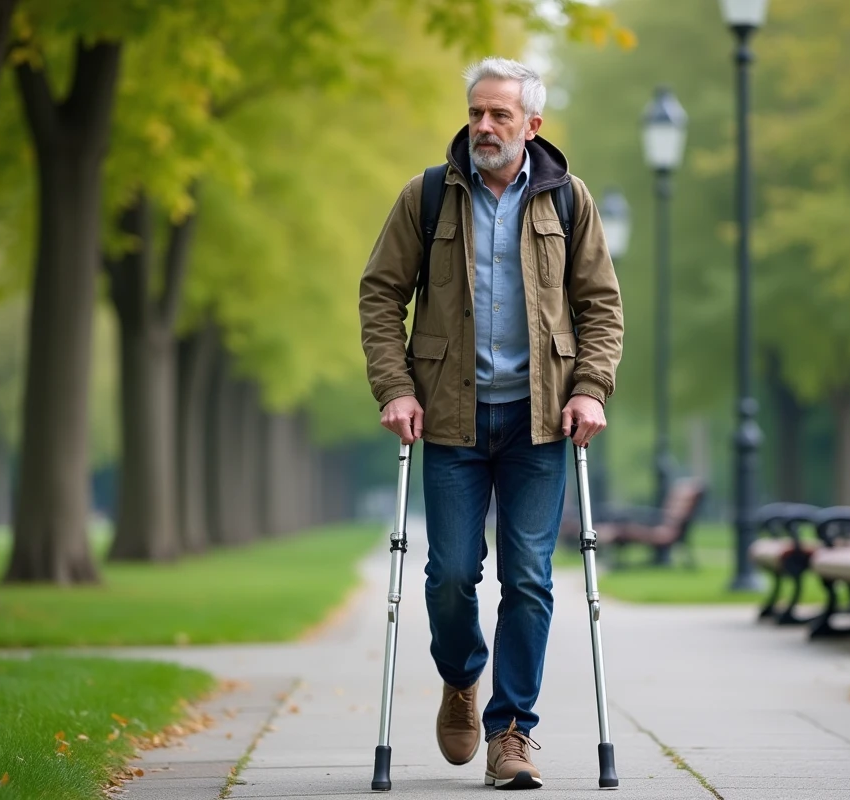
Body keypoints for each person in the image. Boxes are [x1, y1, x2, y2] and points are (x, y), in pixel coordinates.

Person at [358, 56, 624, 790]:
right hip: (449, 419)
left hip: (541, 421)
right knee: (448, 576)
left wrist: (592, 388)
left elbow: (601, 305)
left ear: (531, 125)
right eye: (476, 112)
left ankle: (512, 733)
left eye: (499, 115)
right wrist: (396, 387)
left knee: (531, 579)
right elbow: (381, 295)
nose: (483, 126)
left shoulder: (568, 200)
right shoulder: (429, 197)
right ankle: (462, 676)